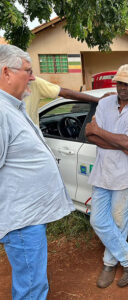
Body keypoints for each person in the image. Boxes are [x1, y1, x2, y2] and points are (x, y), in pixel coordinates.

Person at [0, 45, 74, 299]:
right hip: (21, 221)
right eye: (28, 71)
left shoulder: (13, 106)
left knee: (32, 281)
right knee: (32, 286)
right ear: (6, 72)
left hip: (27, 218)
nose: (32, 77)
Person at [85, 64, 128, 288]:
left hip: (125, 175)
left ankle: (109, 263)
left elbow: (120, 138)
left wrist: (106, 135)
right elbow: (89, 136)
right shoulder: (104, 103)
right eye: (119, 83)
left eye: (127, 83)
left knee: (119, 222)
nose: (122, 87)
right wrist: (123, 146)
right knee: (97, 220)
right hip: (102, 171)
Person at [24, 76, 101, 125]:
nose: (32, 77)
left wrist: (98, 99)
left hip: (33, 138)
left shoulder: (34, 82)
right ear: (11, 73)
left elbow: (66, 93)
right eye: (27, 71)